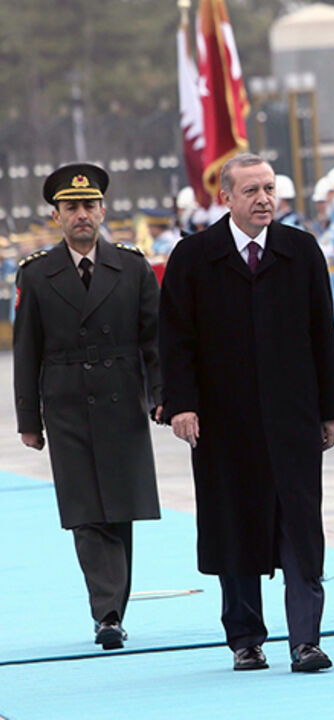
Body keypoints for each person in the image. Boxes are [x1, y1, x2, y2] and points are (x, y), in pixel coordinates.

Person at [158, 153, 334, 673]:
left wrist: (332, 410)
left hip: (293, 417)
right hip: (224, 421)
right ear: (226, 198)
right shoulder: (195, 257)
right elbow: (175, 340)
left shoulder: (300, 251)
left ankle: (306, 639)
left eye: (269, 189)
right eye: (251, 191)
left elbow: (321, 336)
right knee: (234, 525)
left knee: (301, 529)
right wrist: (182, 405)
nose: (264, 199)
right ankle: (245, 638)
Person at [13, 163, 163, 650]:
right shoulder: (36, 274)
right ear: (56, 216)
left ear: (103, 210)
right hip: (66, 402)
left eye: (89, 206)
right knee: (85, 512)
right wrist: (28, 420)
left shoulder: (133, 266)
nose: (81, 215)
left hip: (122, 397)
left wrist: (163, 396)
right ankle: (108, 613)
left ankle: (114, 605)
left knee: (120, 508)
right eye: (71, 207)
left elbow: (154, 340)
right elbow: (27, 351)